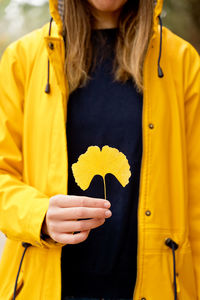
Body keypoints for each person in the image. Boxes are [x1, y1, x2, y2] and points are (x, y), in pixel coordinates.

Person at [0, 0, 200, 299]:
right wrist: (38, 215)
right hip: (44, 286)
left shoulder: (181, 61)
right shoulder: (22, 59)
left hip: (157, 287)